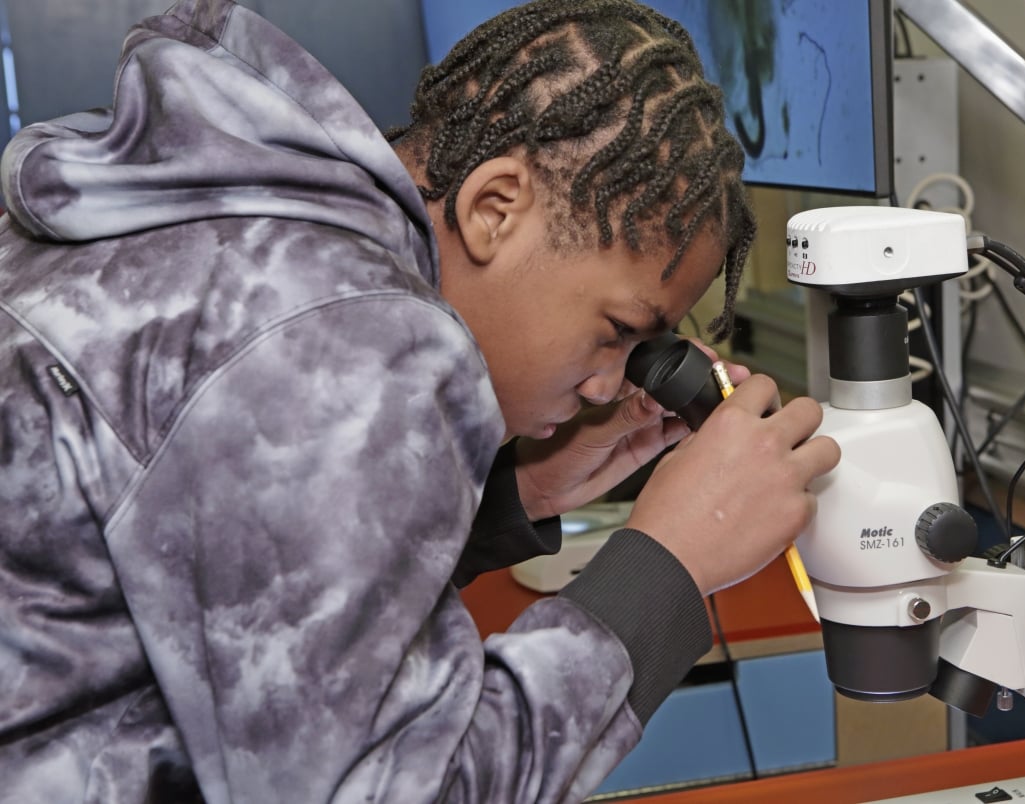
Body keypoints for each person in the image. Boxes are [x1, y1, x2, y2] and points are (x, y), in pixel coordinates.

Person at [0, 0, 839, 801]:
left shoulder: (241, 231)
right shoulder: (353, 330)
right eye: (616, 329)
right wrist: (672, 560)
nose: (604, 386)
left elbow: (226, 561)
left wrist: (518, 494)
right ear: (495, 208)